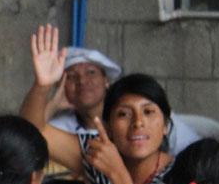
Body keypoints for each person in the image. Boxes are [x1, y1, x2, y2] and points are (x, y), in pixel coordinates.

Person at [21, 23, 174, 184]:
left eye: (149, 112)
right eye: (123, 114)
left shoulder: (179, 174)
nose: (138, 123)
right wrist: (41, 87)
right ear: (108, 126)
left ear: (166, 126)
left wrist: (116, 172)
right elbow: (32, 131)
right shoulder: (96, 152)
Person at [44, 47, 201, 156]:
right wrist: (53, 104)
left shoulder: (155, 116)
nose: (82, 81)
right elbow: (29, 136)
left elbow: (195, 150)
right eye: (71, 77)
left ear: (106, 80)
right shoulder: (62, 125)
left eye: (91, 73)